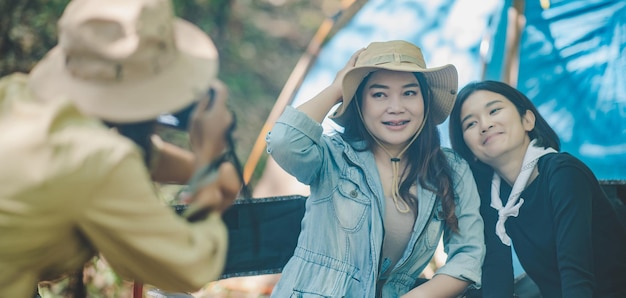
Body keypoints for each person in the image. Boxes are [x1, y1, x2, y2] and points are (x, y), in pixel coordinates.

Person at [0, 0, 243, 297]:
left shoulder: (16, 93)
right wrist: (209, 160)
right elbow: (190, 269)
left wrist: (201, 167)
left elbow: (133, 157)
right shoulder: (99, 162)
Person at [266, 40, 485, 297]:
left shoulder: (451, 169)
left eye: (409, 93)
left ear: (425, 101)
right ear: (360, 103)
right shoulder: (333, 156)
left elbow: (468, 254)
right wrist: (338, 88)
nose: (396, 107)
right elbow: (283, 142)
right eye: (379, 94)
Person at [448, 80, 626, 297]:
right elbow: (497, 279)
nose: (485, 125)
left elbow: (577, 279)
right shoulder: (494, 201)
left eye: (494, 110)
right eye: (470, 124)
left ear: (527, 120)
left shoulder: (563, 173)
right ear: (470, 150)